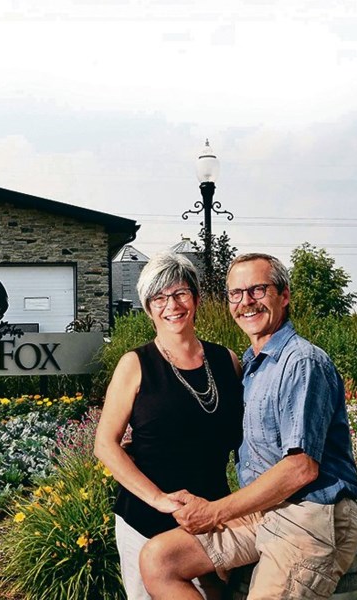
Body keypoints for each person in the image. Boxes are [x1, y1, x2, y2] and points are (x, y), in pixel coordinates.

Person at [139, 253, 357, 600]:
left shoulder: (301, 362)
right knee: (160, 559)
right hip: (263, 511)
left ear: (284, 295)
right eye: (236, 293)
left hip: (309, 512)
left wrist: (215, 511)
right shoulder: (252, 365)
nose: (246, 302)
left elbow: (301, 468)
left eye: (258, 290)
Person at [94, 252, 244, 600]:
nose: (171, 305)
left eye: (180, 294)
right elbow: (105, 444)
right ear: (148, 308)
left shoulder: (227, 361)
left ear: (196, 299)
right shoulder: (135, 364)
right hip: (145, 520)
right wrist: (160, 499)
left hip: (211, 515)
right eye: (159, 298)